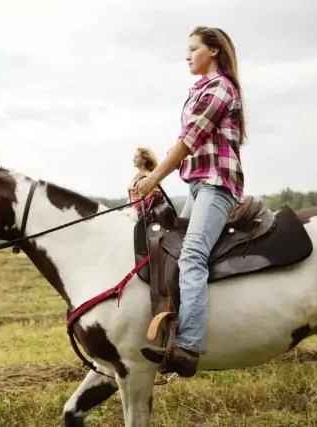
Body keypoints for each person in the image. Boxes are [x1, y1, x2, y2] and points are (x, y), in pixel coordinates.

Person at [135, 26, 246, 377]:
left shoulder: (220, 88)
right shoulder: (199, 90)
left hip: (217, 185)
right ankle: (172, 330)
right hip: (198, 186)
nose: (187, 55)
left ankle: (189, 345)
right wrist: (153, 172)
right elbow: (184, 145)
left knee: (193, 253)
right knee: (172, 253)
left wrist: (155, 177)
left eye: (193, 48)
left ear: (213, 51)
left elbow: (189, 140)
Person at [127, 147, 164, 215]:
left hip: (142, 215)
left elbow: (150, 200)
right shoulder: (137, 175)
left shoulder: (147, 176)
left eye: (136, 157)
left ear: (144, 160)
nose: (133, 159)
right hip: (134, 211)